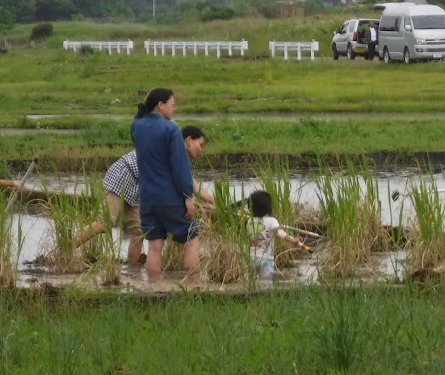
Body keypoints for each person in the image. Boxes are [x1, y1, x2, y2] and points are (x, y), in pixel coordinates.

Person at [72, 126, 215, 266]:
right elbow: (188, 186)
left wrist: (217, 203)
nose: (200, 149)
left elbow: (193, 185)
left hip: (135, 188)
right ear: (189, 139)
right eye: (200, 144)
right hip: (122, 178)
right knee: (104, 224)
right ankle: (68, 247)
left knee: (139, 231)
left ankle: (133, 270)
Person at [130, 88, 198, 282]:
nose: (174, 108)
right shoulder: (171, 129)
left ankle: (154, 288)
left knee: (154, 245)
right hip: (169, 197)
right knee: (192, 236)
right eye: (172, 104)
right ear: (160, 105)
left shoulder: (136, 126)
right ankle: (194, 285)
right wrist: (187, 196)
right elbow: (179, 166)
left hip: (147, 198)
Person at [246, 190, 309, 281]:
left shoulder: (249, 221)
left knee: (252, 281)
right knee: (266, 282)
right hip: (266, 259)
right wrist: (293, 240)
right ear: (268, 207)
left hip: (252, 257)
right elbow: (280, 232)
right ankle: (266, 294)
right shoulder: (272, 221)